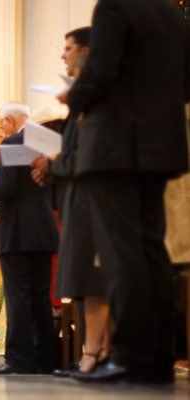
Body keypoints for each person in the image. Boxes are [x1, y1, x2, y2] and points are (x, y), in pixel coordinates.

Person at [58, 0, 189, 384]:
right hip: (161, 146)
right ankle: (157, 357)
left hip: (114, 149)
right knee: (151, 251)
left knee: (120, 253)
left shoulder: (116, 6)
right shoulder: (170, 12)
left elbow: (100, 73)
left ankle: (130, 356)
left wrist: (75, 97)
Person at [31, 27, 111, 377]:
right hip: (77, 199)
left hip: (90, 201)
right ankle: (97, 352)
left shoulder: (97, 98)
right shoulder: (86, 102)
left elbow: (86, 155)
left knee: (92, 282)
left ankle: (97, 354)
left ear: (86, 51)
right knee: (86, 284)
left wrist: (53, 163)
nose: (63, 55)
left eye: (68, 48)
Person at [0, 103, 59, 374]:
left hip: (17, 233)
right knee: (40, 297)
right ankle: (46, 359)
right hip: (44, 231)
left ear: (12, 120)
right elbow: (30, 194)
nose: (0, 128)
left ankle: (18, 358)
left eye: (1, 122)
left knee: (18, 297)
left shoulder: (12, 143)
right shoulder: (49, 146)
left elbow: (6, 188)